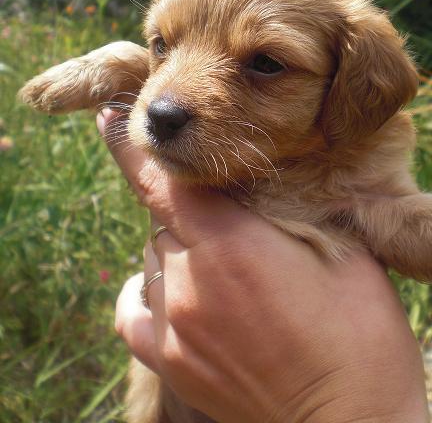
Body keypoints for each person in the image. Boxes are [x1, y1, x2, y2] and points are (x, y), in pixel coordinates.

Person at [97, 109, 429, 423]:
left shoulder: (364, 179)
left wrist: (320, 404)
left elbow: (404, 222)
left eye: (265, 64)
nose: (167, 101)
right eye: (161, 47)